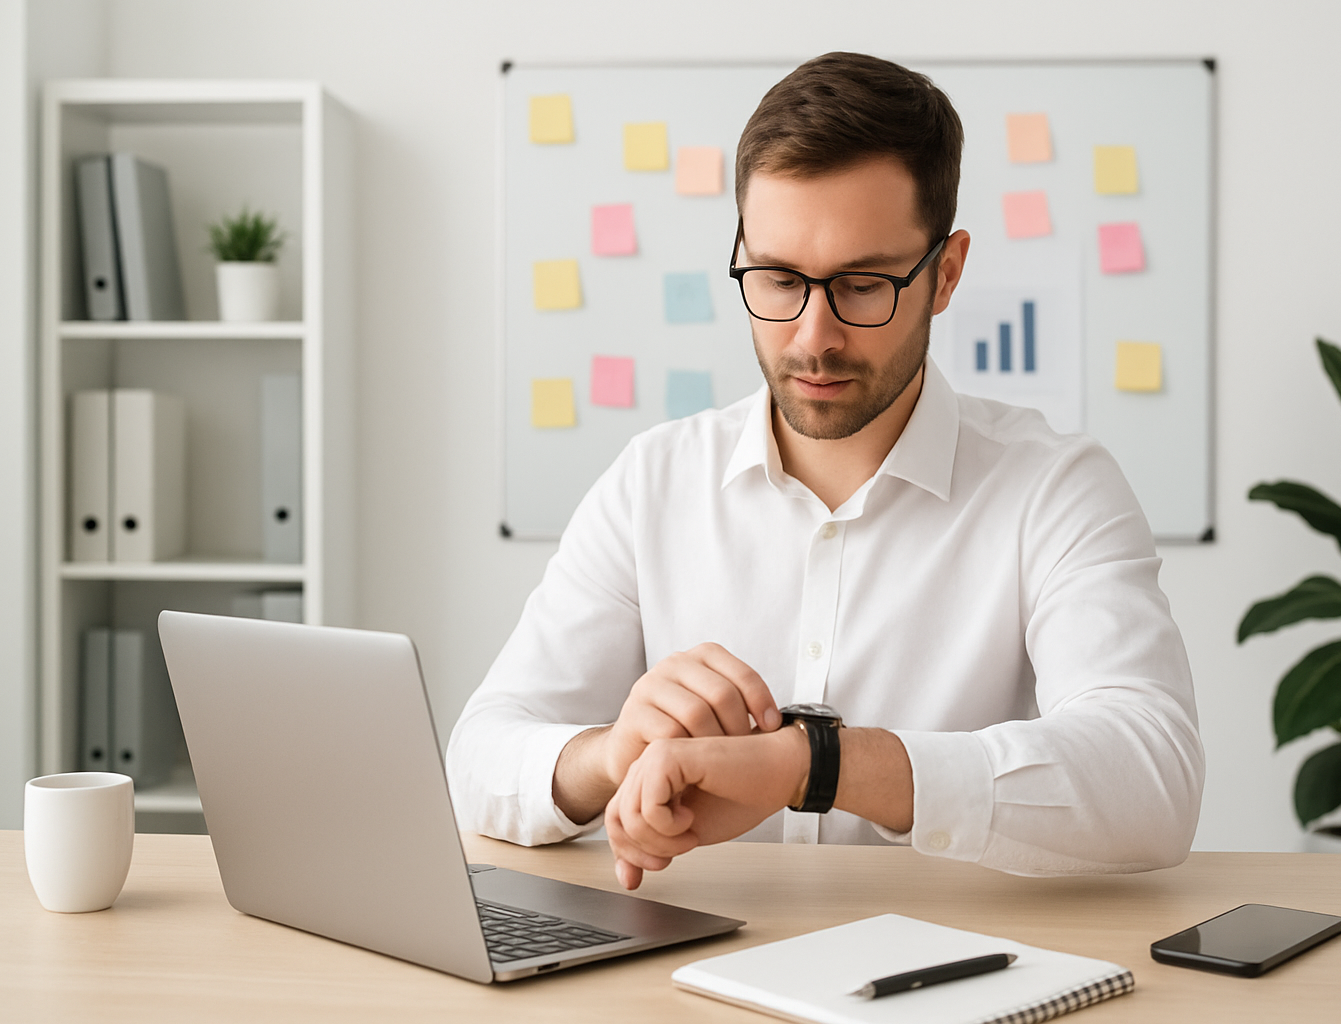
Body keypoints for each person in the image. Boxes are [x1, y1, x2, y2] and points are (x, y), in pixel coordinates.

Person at [447, 52, 1203, 891]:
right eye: (778, 279)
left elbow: (1152, 779)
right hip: (693, 952)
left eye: (863, 284)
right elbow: (476, 757)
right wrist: (608, 755)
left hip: (944, 960)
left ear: (946, 274)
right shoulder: (652, 482)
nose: (813, 337)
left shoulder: (1054, 487)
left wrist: (817, 766)